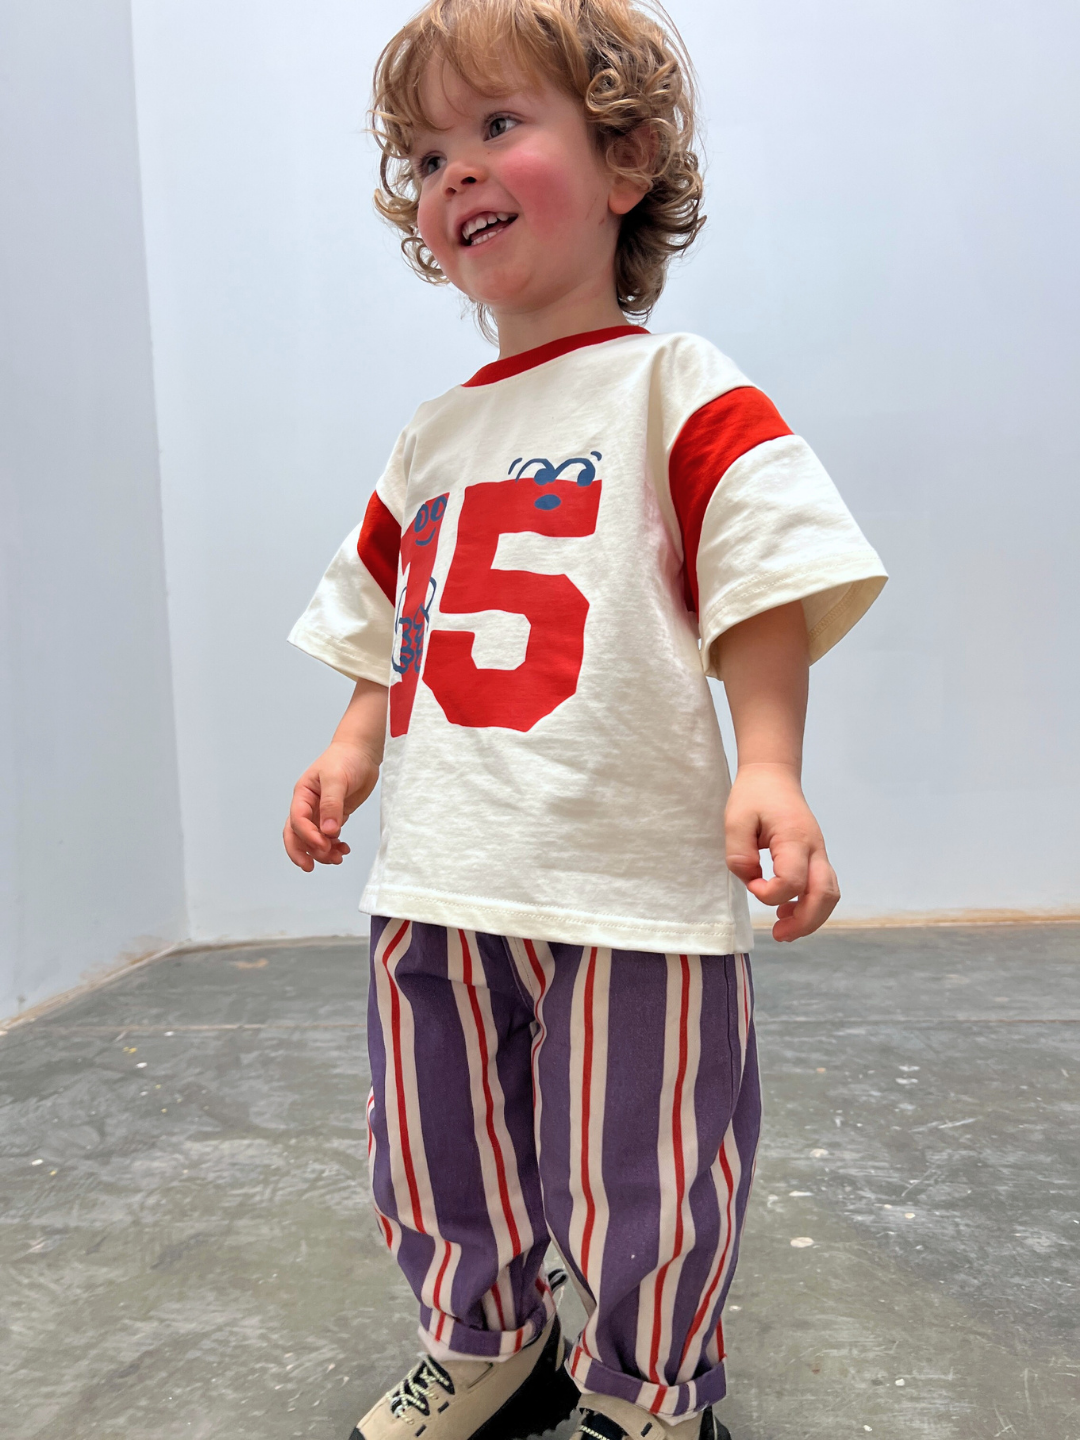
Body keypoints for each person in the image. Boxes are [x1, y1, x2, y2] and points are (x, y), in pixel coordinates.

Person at [284, 2, 886, 1437]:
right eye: (428, 155)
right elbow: (387, 615)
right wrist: (352, 743)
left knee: (645, 1163)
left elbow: (762, 578)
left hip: (627, 882)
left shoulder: (682, 388)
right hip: (441, 870)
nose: (455, 175)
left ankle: (645, 1389)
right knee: (435, 1140)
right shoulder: (431, 435)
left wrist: (775, 767)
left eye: (498, 127)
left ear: (626, 161)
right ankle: (485, 1338)